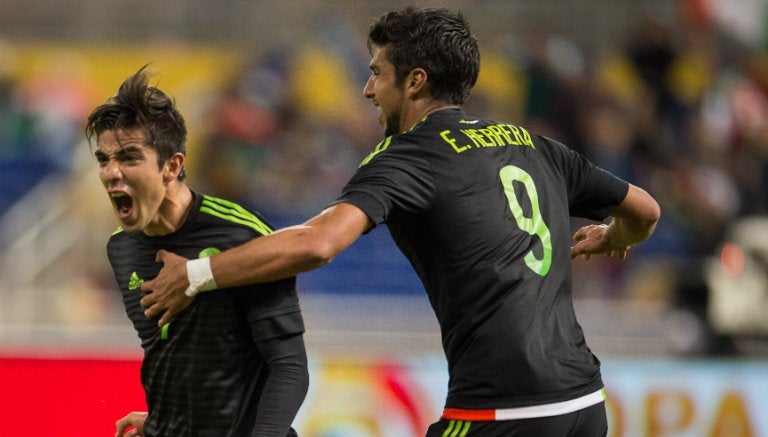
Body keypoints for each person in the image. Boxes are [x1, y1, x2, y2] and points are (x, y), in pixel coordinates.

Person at [140, 7, 661, 437]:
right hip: (585, 404)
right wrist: (615, 236)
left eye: (376, 73)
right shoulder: (534, 143)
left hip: (501, 410)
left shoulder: (409, 155)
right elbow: (645, 210)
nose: (368, 90)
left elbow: (319, 243)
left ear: (415, 82)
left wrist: (197, 276)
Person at [85, 65, 308, 437]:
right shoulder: (121, 249)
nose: (111, 172)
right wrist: (164, 420)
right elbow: (177, 354)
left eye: (128, 157)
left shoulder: (243, 235)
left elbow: (288, 367)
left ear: (172, 166)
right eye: (104, 160)